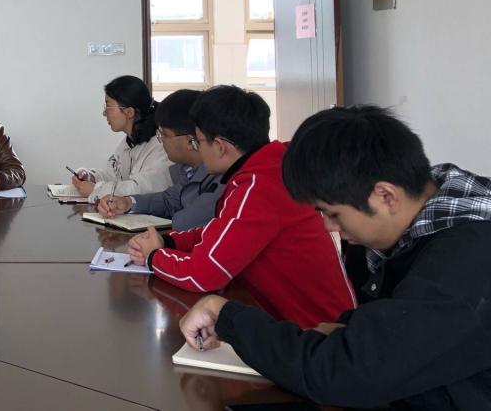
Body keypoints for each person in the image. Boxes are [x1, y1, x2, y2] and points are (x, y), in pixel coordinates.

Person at [179, 106, 491, 410]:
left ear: (386, 196)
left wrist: (226, 316)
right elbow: (383, 335)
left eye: (333, 213)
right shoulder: (409, 222)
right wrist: (343, 330)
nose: (328, 226)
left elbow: (348, 372)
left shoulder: (466, 263)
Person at [127, 85, 355, 328]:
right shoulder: (264, 169)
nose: (198, 149)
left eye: (199, 141)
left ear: (220, 146)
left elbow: (203, 275)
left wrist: (153, 256)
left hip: (317, 333)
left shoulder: (260, 186)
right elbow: (222, 230)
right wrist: (169, 242)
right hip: (292, 324)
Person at [96, 89, 223, 230]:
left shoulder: (218, 176)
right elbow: (170, 200)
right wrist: (128, 202)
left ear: (190, 141)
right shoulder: (187, 169)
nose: (160, 140)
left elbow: (188, 221)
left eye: (165, 135)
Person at [72, 75, 171, 202]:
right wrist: (91, 176)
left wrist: (96, 189)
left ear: (129, 112)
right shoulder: (129, 141)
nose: (104, 113)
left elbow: (140, 189)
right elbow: (114, 176)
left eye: (108, 107)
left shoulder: (160, 144)